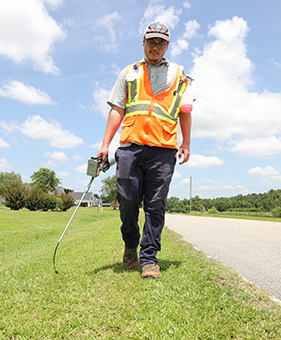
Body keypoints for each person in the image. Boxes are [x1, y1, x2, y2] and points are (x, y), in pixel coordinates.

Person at [96, 22, 194, 279]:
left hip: (163, 149)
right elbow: (117, 109)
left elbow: (185, 112)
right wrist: (105, 144)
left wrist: (186, 143)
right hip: (130, 146)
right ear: (143, 42)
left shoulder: (180, 75)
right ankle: (131, 244)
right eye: (151, 41)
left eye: (161, 42)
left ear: (167, 46)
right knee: (127, 201)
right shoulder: (129, 72)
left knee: (155, 205)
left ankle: (149, 258)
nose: (155, 46)